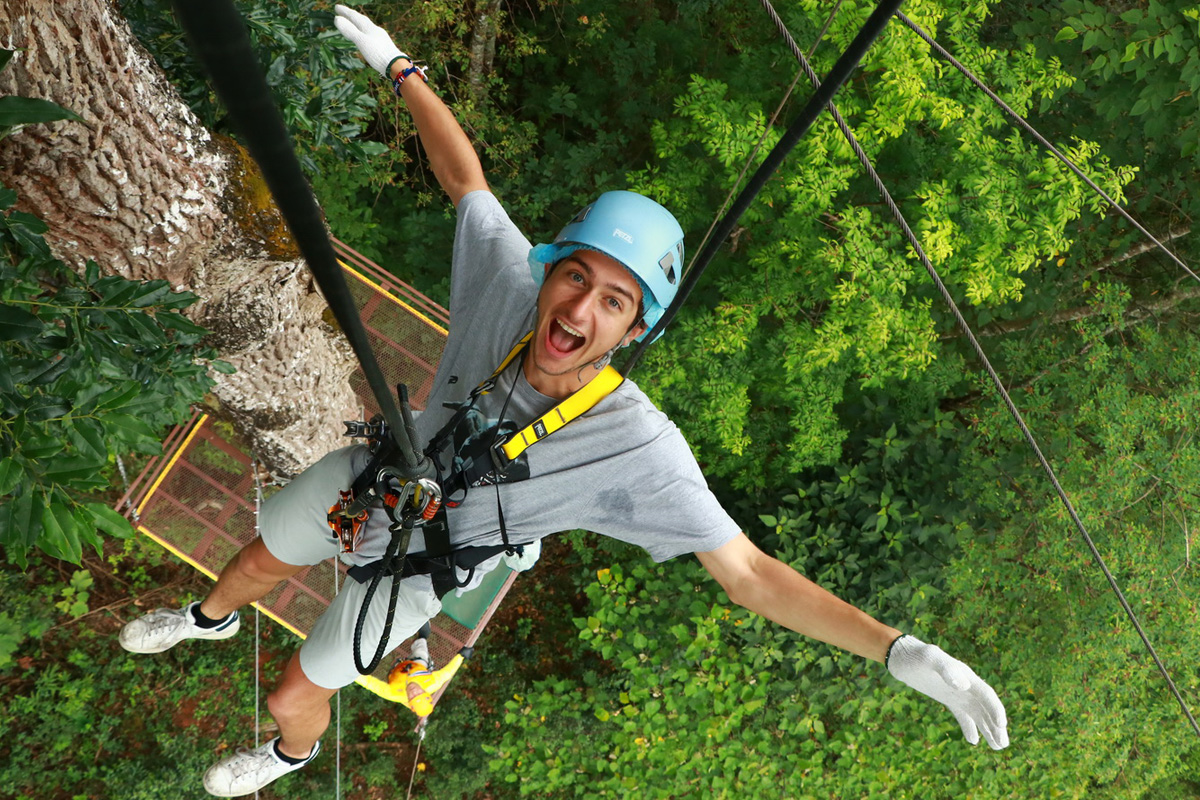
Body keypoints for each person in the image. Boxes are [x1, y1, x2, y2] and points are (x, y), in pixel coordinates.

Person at [118, 6, 1009, 797]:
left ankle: (287, 755)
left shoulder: (636, 447)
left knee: (297, 691)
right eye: (575, 277)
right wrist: (402, 69)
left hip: (425, 570)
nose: (579, 309)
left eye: (612, 302)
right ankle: (208, 620)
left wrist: (897, 650)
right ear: (551, 273)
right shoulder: (511, 286)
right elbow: (466, 182)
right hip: (372, 482)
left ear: (633, 332)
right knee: (257, 558)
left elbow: (749, 576)